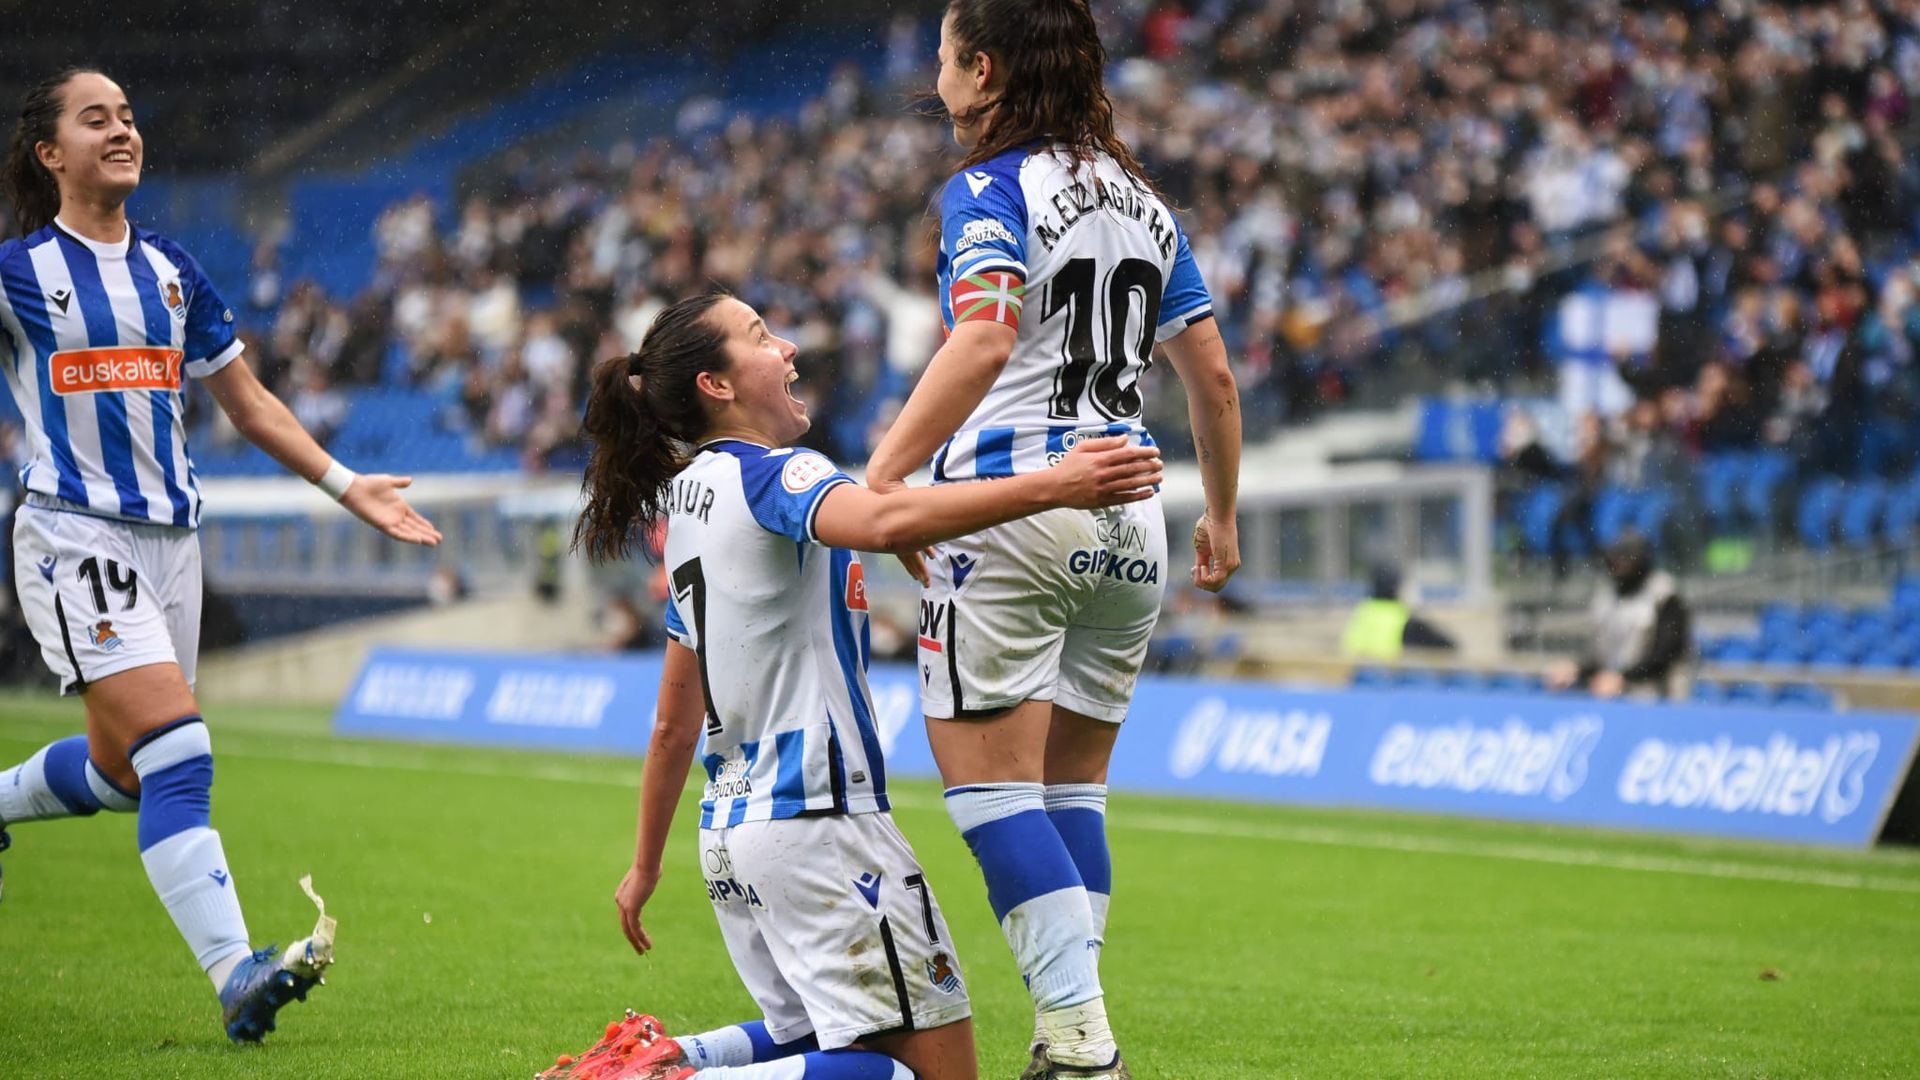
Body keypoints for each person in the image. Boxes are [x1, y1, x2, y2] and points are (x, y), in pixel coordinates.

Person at [549, 293, 1163, 1080]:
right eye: (760, 336)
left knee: (830, 1039)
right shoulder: (780, 473)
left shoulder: (685, 503)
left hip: (731, 837)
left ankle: (670, 1058)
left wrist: (646, 866)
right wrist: (1058, 485)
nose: (788, 347)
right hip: (819, 822)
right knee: (931, 1076)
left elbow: (674, 724)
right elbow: (880, 523)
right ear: (717, 385)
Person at [0, 68, 441, 1043]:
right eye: (95, 119)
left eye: (128, 115)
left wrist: (346, 484)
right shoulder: (18, 272)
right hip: (76, 535)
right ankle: (236, 971)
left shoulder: (170, 269)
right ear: (50, 153)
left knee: (125, 775)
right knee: (180, 751)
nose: (122, 130)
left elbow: (249, 403)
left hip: (174, 545)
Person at [863, 3, 1242, 1077]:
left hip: (1014, 506)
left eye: (946, 57)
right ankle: (1068, 1033)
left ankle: (1081, 1042)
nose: (937, 77)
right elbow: (1212, 375)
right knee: (1072, 791)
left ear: (983, 69)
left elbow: (984, 340)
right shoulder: (1146, 203)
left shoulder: (990, 188)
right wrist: (1221, 514)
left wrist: (886, 477)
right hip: (1131, 516)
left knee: (990, 791)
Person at [1545, 534, 1691, 699]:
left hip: (1659, 698)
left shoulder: (1664, 594)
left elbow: (1666, 654)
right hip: (1616, 697)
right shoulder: (1606, 597)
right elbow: (1602, 658)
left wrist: (1625, 678)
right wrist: (1576, 670)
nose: (1620, 564)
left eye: (1627, 559)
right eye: (1616, 558)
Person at [1341, 564, 1456, 661]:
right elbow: (1450, 647)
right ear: (1397, 588)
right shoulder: (1407, 621)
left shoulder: (1361, 614)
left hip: (1360, 678)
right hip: (1391, 678)